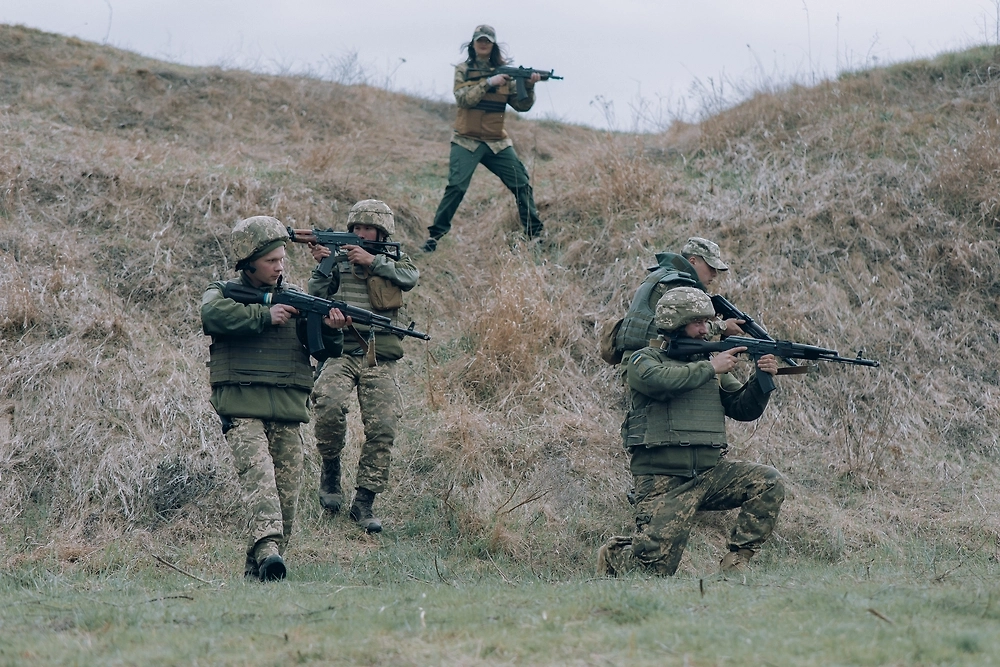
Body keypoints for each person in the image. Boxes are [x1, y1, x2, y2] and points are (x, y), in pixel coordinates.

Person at [597, 286, 785, 576]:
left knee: (768, 482)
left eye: (707, 322)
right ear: (675, 323)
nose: (705, 329)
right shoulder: (643, 360)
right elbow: (662, 381)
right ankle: (615, 555)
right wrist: (711, 368)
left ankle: (736, 564)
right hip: (663, 480)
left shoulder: (707, 365)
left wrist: (761, 380)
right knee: (653, 572)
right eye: (697, 322)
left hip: (710, 474)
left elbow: (743, 409)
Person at [201, 216, 349, 581]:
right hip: (242, 406)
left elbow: (323, 350)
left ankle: (260, 569)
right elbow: (212, 315)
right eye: (271, 260)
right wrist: (265, 315)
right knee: (261, 482)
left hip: (287, 408)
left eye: (282, 259)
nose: (279, 266)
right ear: (248, 262)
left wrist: (331, 330)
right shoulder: (222, 292)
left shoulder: (297, 298)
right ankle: (268, 550)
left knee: (286, 497)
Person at [309, 200, 419, 533]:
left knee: (383, 426)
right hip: (342, 351)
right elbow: (315, 295)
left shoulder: (395, 261)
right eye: (356, 228)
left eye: (368, 228)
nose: (360, 233)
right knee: (327, 404)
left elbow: (410, 277)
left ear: (382, 233)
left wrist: (374, 262)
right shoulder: (338, 260)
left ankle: (364, 502)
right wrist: (324, 265)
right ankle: (331, 472)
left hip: (379, 355)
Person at [422, 24, 547, 252]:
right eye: (480, 40)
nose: (483, 44)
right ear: (473, 44)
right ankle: (434, 237)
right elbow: (463, 99)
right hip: (466, 141)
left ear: (493, 45)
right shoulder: (463, 70)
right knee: (456, 188)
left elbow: (522, 106)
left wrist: (529, 86)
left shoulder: (506, 73)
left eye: (487, 41)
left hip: (497, 142)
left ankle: (535, 235)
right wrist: (489, 83)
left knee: (522, 184)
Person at [612, 237, 743, 364]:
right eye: (711, 267)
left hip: (639, 358)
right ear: (693, 261)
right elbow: (683, 334)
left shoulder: (660, 275)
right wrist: (722, 326)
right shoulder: (678, 285)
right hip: (650, 361)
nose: (714, 274)